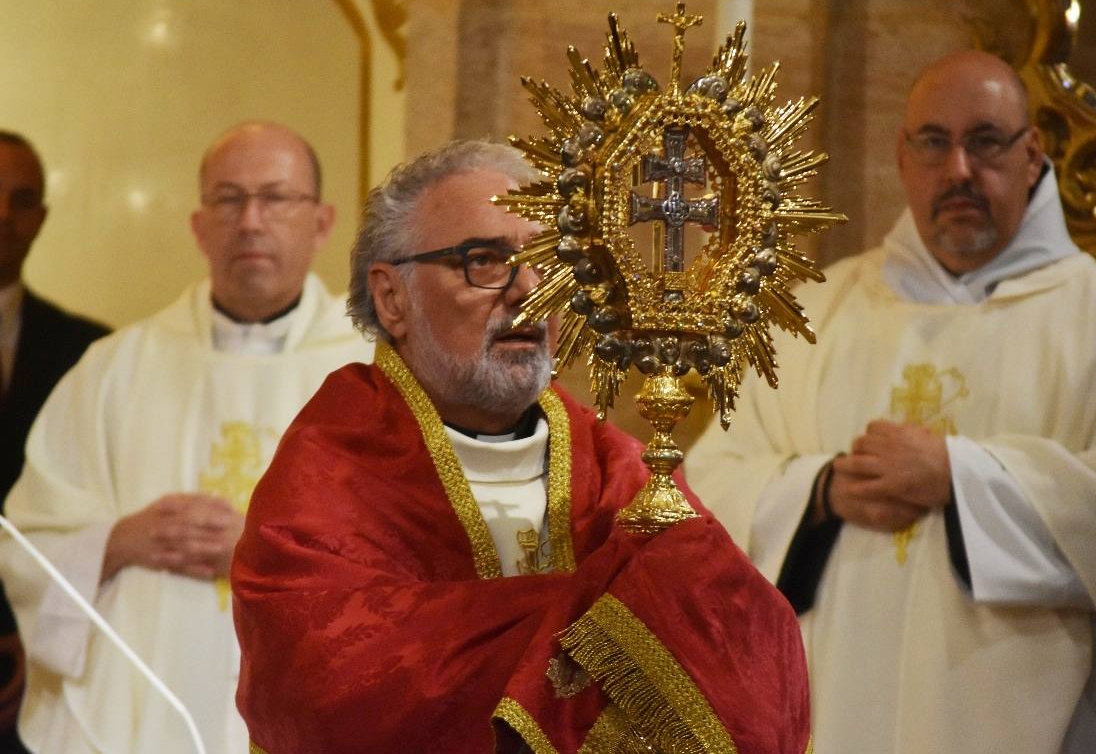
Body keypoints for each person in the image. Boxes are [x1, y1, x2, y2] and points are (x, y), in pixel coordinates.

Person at [687, 49, 1096, 754]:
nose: (959, 169)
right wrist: (822, 490)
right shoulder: (816, 314)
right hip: (834, 717)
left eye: (986, 141)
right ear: (902, 156)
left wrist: (960, 476)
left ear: (1032, 155)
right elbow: (708, 490)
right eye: (934, 142)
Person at [231, 140, 811, 753]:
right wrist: (608, 616)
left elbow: (755, 658)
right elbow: (326, 691)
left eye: (547, 259)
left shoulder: (624, 474)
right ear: (391, 297)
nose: (529, 292)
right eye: (483, 260)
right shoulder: (329, 478)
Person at [0, 121, 372, 753]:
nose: (250, 220)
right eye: (228, 199)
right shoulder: (113, 370)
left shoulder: (377, 379)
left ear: (323, 222)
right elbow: (26, 542)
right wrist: (114, 542)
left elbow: (425, 561)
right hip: (144, 716)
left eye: (276, 197)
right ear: (200, 226)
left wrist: (267, 555)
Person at [0, 131, 109, 752]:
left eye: (23, 199)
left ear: (41, 218)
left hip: (41, 641)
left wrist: (32, 627)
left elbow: (91, 505)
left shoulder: (91, 353)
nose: (3, 216)